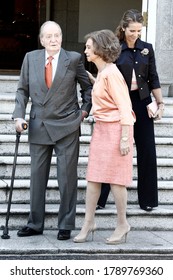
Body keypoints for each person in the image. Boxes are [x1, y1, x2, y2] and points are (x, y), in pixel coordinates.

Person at [12, 21, 92, 240]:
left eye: (57, 35)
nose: (54, 39)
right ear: (42, 40)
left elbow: (88, 88)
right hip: (39, 124)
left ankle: (65, 223)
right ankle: (35, 223)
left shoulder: (74, 59)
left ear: (61, 36)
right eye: (49, 36)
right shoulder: (31, 58)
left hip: (67, 126)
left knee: (67, 178)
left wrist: (83, 113)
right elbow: (22, 90)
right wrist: (19, 115)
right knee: (37, 177)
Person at [97, 9, 164, 212]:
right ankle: (100, 199)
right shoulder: (115, 49)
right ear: (124, 28)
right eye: (132, 30)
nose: (136, 34)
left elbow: (153, 77)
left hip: (142, 102)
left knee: (147, 151)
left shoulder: (147, 49)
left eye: (139, 31)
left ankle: (148, 200)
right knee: (113, 150)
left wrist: (160, 104)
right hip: (120, 103)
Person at [73, 29, 135, 245]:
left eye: (89, 47)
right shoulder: (104, 72)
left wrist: (126, 138)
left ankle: (122, 224)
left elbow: (125, 107)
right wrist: (92, 78)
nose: (85, 50)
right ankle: (88, 222)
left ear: (100, 49)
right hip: (102, 129)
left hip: (118, 129)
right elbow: (103, 91)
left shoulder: (112, 74)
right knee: (93, 178)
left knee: (117, 180)